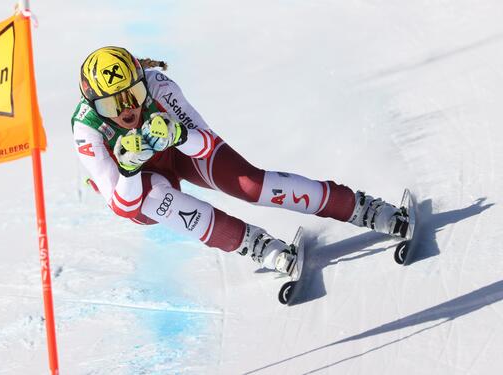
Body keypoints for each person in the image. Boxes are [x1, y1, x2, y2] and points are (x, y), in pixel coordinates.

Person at [71, 46, 409, 279]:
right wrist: (129, 168)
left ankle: (359, 207)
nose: (128, 110)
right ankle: (255, 245)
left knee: (250, 184)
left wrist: (177, 135)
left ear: (144, 82)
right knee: (152, 200)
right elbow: (123, 205)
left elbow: (204, 141)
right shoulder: (86, 128)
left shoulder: (158, 85)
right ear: (93, 106)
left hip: (181, 150)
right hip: (141, 183)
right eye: (112, 106)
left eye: (134, 96)